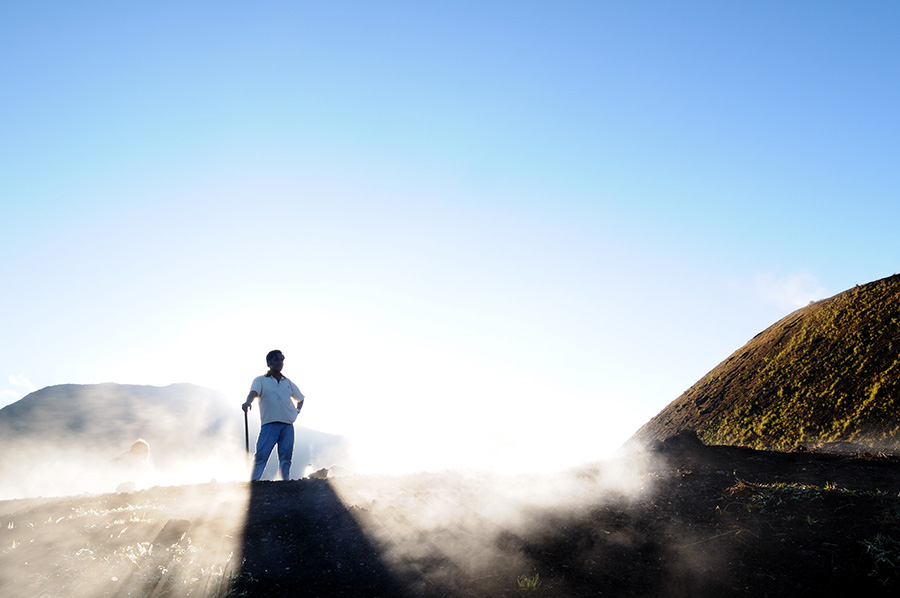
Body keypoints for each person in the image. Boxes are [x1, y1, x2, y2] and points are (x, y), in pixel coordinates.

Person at [242, 350, 305, 481]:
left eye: (281, 360)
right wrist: (248, 401)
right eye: (276, 360)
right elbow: (253, 392)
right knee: (261, 455)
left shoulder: (287, 382)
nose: (279, 363)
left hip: (287, 424)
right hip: (270, 423)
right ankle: (253, 483)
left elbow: (300, 398)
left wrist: (297, 412)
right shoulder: (260, 380)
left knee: (286, 457)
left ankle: (285, 482)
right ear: (269, 363)